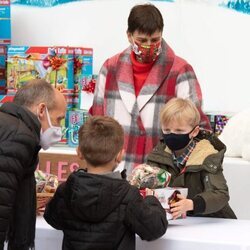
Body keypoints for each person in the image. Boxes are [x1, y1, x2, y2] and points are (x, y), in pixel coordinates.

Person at [90, 3, 211, 174]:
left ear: (161, 35)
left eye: (155, 40)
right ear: (129, 36)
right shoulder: (110, 68)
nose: (149, 45)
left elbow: (197, 127)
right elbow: (96, 123)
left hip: (163, 175)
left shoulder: (180, 71)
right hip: (115, 174)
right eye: (142, 40)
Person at [44, 116, 168, 250]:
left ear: (79, 153)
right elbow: (155, 229)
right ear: (120, 156)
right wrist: (151, 199)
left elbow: (52, 219)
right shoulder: (128, 195)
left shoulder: (66, 190)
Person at [0, 79, 67, 250]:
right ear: (42, 109)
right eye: (58, 119)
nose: (59, 128)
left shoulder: (9, 125)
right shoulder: (18, 137)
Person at [146, 98, 236, 219]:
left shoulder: (207, 157)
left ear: (194, 132)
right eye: (167, 130)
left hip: (213, 220)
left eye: (179, 131)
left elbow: (220, 194)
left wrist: (192, 204)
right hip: (178, 222)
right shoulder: (158, 155)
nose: (172, 135)